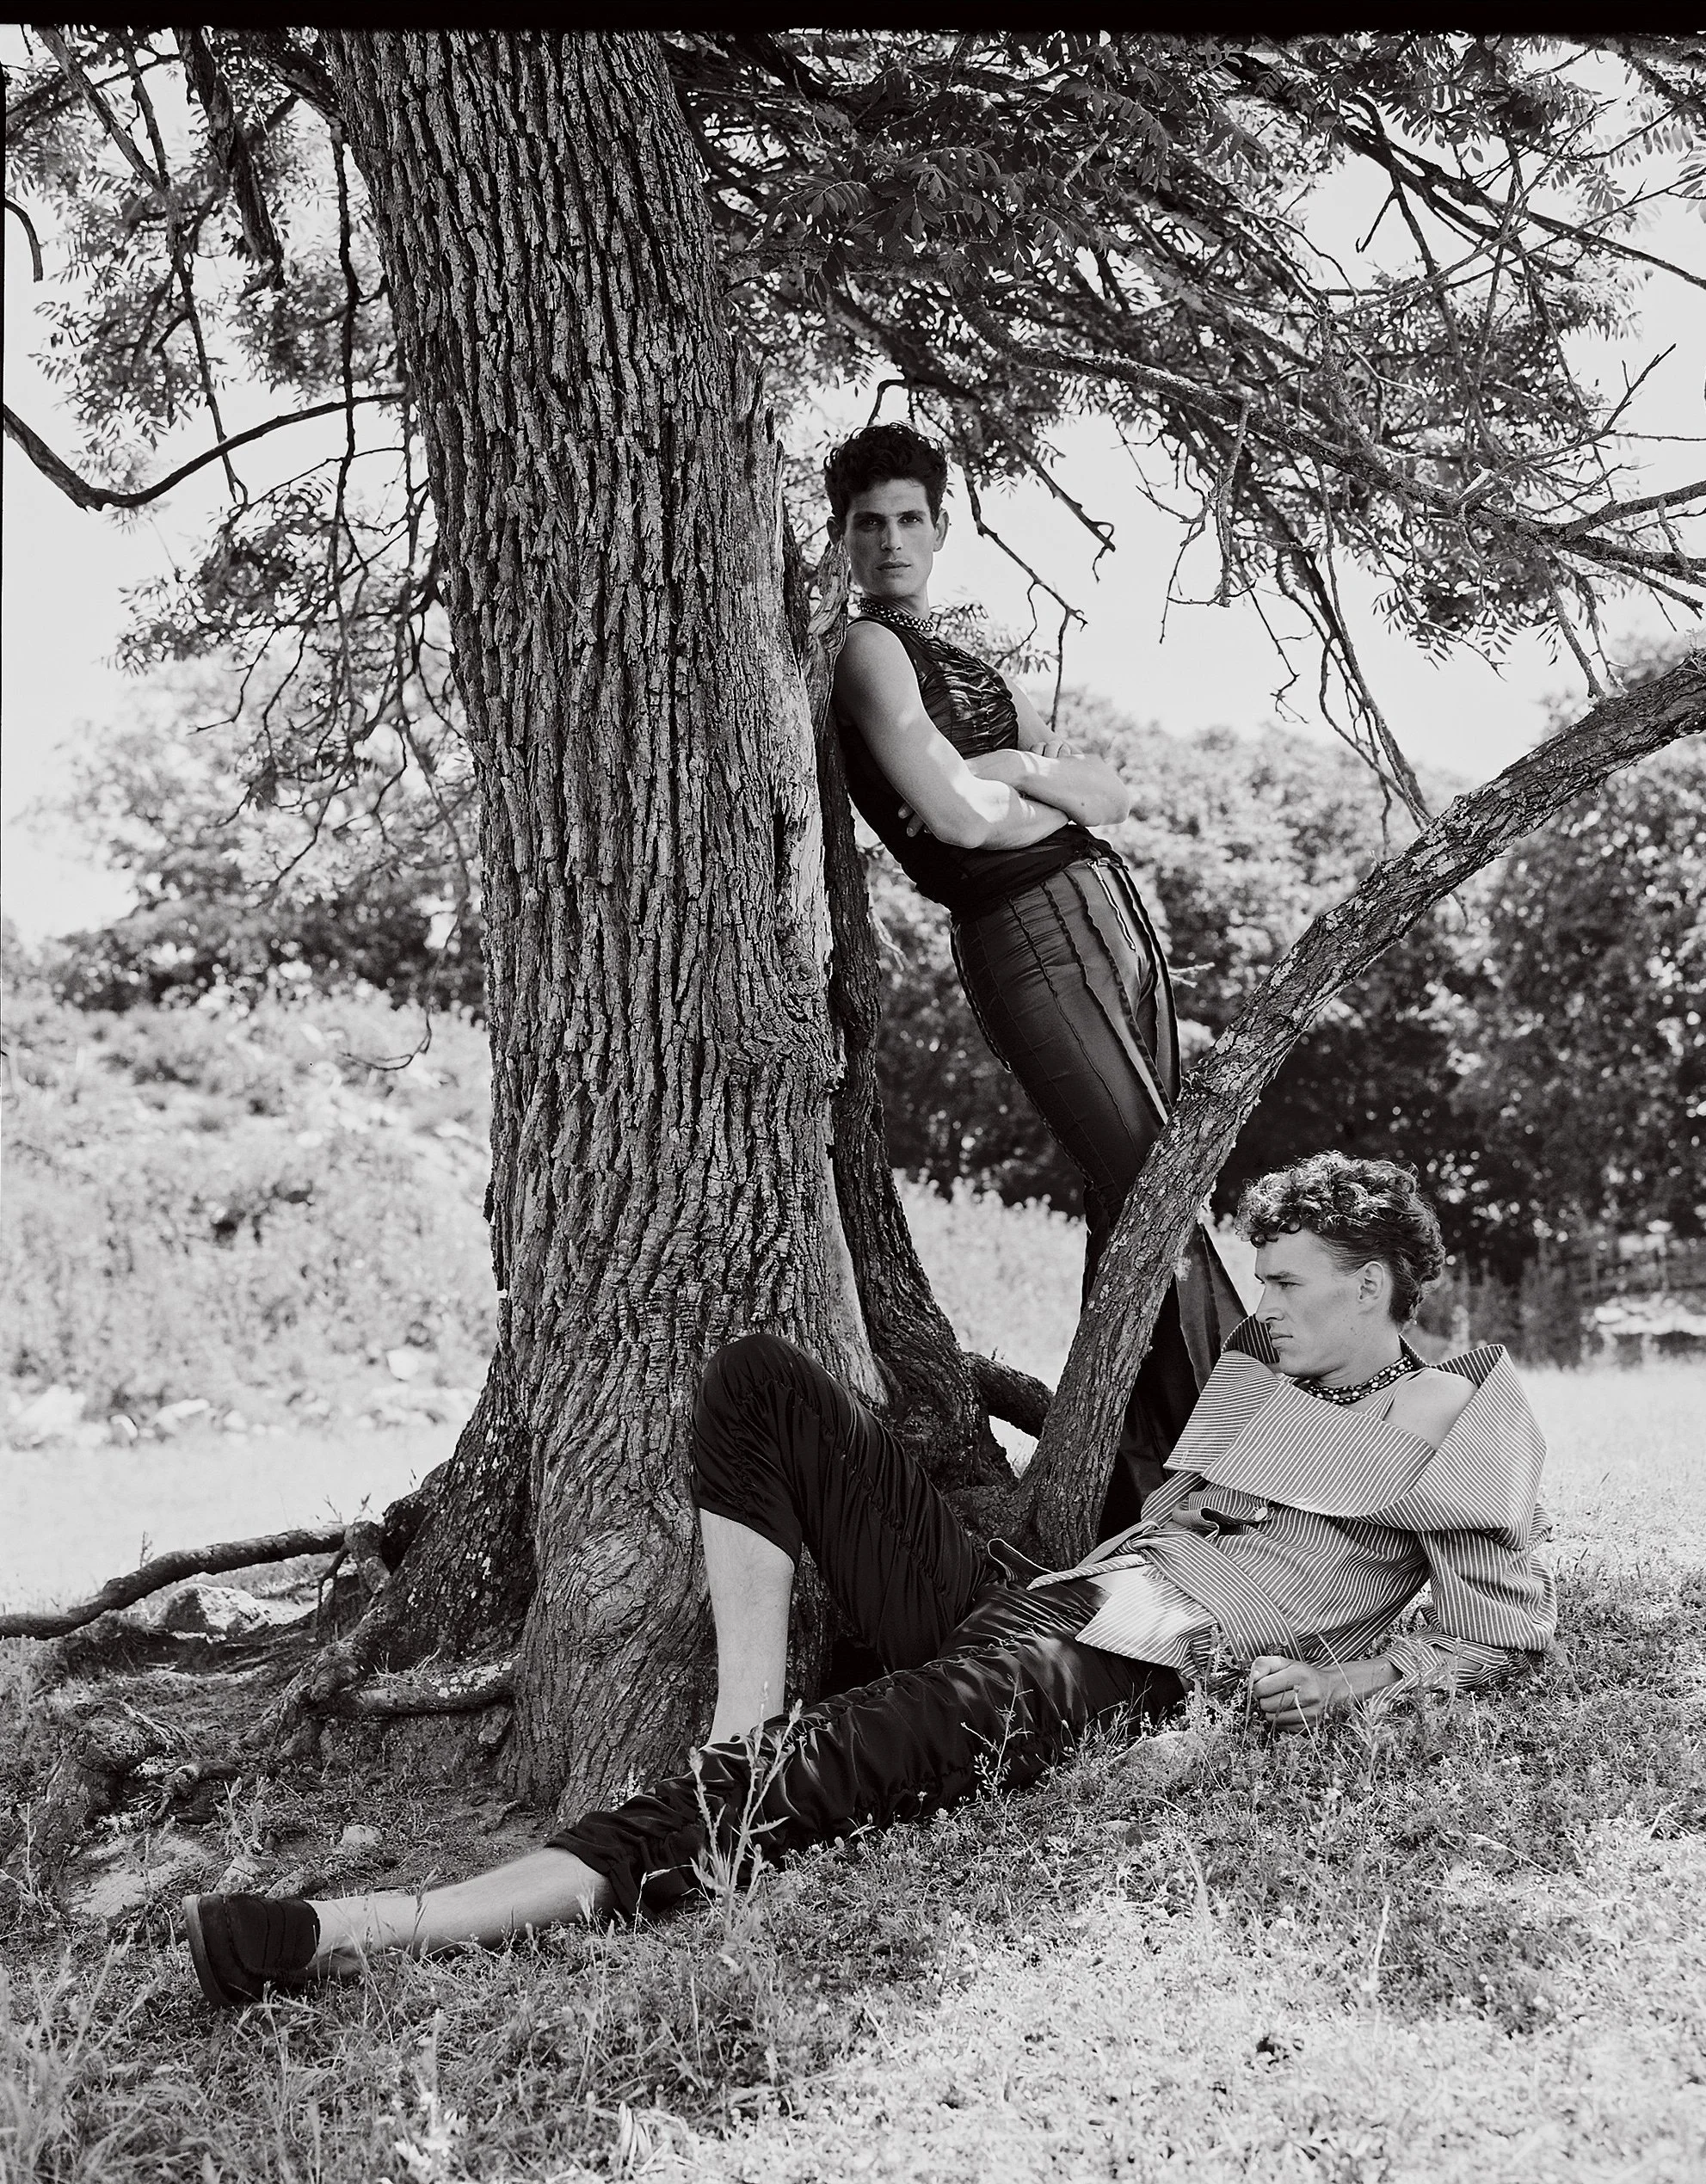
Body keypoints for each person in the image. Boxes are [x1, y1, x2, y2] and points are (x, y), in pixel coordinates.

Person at [182, 1154, 1557, 2009]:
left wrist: (1344, 1678)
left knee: (820, 1769)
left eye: (1292, 1284)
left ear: (1375, 1284)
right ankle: (740, 1718)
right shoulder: (1271, 1381)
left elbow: (1502, 1634)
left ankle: (354, 1930)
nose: (1262, 1308)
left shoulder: (1460, 1413)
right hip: (1043, 1598)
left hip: (1122, 1666)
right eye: (1260, 1280)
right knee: (762, 1383)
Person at [824, 421, 1245, 1529]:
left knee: (1137, 1210)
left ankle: (1131, 1504)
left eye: (913, 518)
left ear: (943, 527)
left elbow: (1101, 796)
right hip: (1030, 935)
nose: (894, 540)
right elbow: (958, 823)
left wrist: (1006, 767)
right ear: (843, 538)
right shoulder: (869, 651)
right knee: (1163, 1200)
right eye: (871, 523)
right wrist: (1005, 789)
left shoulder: (968, 661)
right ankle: (1275, 1473)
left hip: (1109, 920)